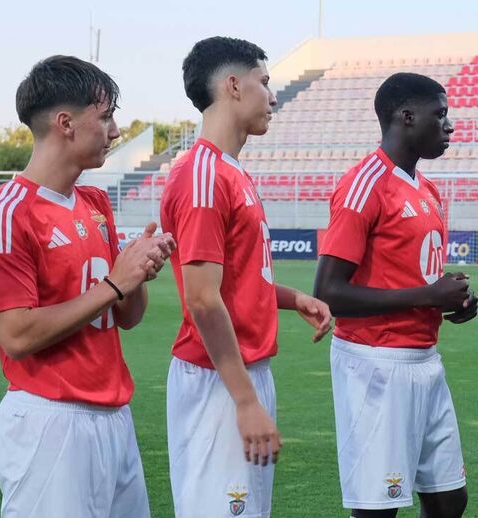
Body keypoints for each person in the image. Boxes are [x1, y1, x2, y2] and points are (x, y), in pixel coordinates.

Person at [0, 55, 175, 517]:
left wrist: (135, 275)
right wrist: (115, 284)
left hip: (114, 417)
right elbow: (17, 336)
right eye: (105, 116)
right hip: (50, 421)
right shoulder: (6, 215)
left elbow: (128, 317)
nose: (116, 131)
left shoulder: (96, 201)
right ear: (66, 123)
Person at [160, 36, 332, 518]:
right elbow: (201, 299)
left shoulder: (230, 170)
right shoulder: (202, 174)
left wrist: (293, 297)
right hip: (219, 378)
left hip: (241, 372)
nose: (273, 96)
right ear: (234, 86)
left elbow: (235, 280)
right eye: (265, 82)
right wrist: (244, 400)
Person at [313, 72, 477, 518]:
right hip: (375, 364)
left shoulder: (426, 189)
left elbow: (413, 279)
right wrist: (427, 295)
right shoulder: (364, 183)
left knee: (449, 499)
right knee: (378, 509)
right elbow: (328, 292)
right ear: (406, 117)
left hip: (425, 359)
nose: (450, 125)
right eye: (440, 115)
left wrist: (451, 301)